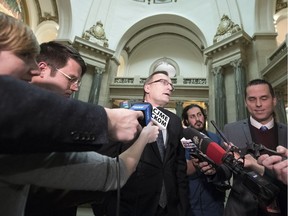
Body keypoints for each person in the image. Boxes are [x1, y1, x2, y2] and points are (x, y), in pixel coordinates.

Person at [0, 12, 160, 216]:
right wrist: (107, 121)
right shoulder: (24, 139)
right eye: (24, 55)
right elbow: (115, 172)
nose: (34, 69)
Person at [95, 71, 188, 216]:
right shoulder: (126, 113)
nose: (169, 87)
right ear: (147, 87)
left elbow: (179, 165)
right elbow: (106, 159)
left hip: (168, 206)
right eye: (164, 82)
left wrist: (183, 206)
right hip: (131, 205)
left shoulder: (174, 121)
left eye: (171, 85)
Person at [223, 79, 287, 216]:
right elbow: (224, 171)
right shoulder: (230, 130)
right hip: (242, 210)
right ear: (246, 103)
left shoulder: (286, 132)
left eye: (264, 98)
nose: (258, 104)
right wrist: (211, 170)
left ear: (274, 100)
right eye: (252, 99)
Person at [182, 104, 227, 216]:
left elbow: (224, 167)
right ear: (186, 121)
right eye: (192, 117)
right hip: (192, 200)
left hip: (215, 200)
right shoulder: (182, 140)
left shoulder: (215, 138)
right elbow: (183, 169)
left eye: (199, 115)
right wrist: (195, 163)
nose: (197, 119)